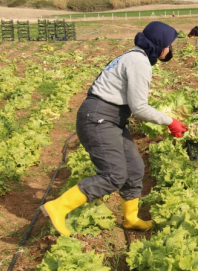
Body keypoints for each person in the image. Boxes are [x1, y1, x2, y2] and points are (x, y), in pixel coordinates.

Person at [41, 21, 188, 236]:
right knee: (113, 175)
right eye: (168, 44)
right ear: (159, 44)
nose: (170, 49)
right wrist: (170, 121)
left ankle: (130, 219)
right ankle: (58, 207)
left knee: (134, 168)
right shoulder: (139, 62)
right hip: (99, 118)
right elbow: (139, 108)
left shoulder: (134, 56)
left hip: (110, 117)